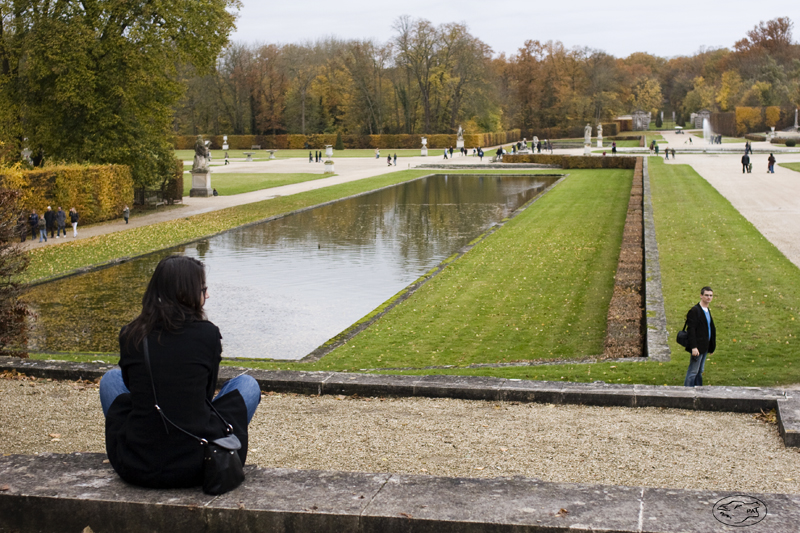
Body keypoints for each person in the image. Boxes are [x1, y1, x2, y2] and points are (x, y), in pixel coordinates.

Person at [100, 255, 261, 489]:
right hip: (200, 463)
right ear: (186, 293)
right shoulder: (207, 334)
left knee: (110, 379)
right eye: (203, 289)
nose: (207, 295)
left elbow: (132, 386)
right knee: (247, 385)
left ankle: (146, 440)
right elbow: (206, 396)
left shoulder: (131, 334)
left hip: (137, 465)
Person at [683, 286, 716, 387]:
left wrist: (711, 347)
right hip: (697, 347)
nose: (708, 298)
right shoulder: (695, 311)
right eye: (706, 295)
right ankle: (687, 392)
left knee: (699, 371)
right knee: (693, 371)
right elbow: (691, 330)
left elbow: (710, 329)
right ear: (701, 296)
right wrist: (694, 347)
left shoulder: (706, 310)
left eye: (710, 296)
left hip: (704, 346)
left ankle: (698, 391)